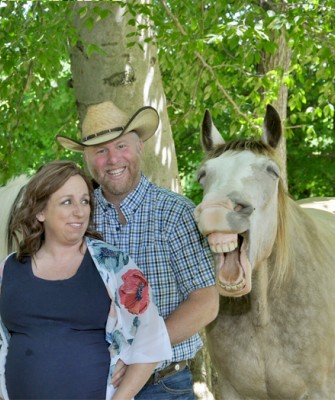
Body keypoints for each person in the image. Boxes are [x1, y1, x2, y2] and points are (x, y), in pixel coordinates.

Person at [0, 160, 172, 400]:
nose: (79, 211)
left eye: (84, 201)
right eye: (67, 202)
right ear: (40, 211)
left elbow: (151, 340)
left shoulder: (114, 266)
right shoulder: (8, 270)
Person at [56, 101, 219, 399]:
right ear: (88, 159)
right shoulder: (77, 217)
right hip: (88, 384)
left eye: (120, 146)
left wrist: (137, 354)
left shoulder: (175, 214)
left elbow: (206, 303)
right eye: (100, 151)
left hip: (164, 385)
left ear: (140, 146)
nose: (112, 159)